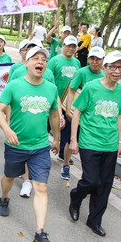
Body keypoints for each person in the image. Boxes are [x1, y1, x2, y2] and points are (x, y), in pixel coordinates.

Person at [0, 46, 60, 242]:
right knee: (9, 177)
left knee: (41, 187)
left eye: (44, 59)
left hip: (40, 146)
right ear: (27, 63)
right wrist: (6, 129)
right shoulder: (14, 85)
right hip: (16, 145)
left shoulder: (51, 88)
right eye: (36, 58)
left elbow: (55, 114)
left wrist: (56, 138)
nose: (40, 61)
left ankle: (40, 233)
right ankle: (4, 198)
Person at [69, 51, 121, 237]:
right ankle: (76, 196)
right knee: (91, 180)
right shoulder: (91, 87)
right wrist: (73, 139)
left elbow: (119, 116)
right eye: (113, 67)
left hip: (110, 144)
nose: (117, 71)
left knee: (104, 185)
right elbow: (77, 112)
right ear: (105, 68)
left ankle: (94, 220)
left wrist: (119, 141)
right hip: (90, 141)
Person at [46, 36, 80, 181]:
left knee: (67, 132)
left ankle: (65, 162)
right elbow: (47, 78)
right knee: (46, 129)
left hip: (69, 105)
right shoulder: (54, 61)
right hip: (53, 103)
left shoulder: (77, 62)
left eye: (74, 46)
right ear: (63, 46)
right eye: (68, 46)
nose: (71, 48)